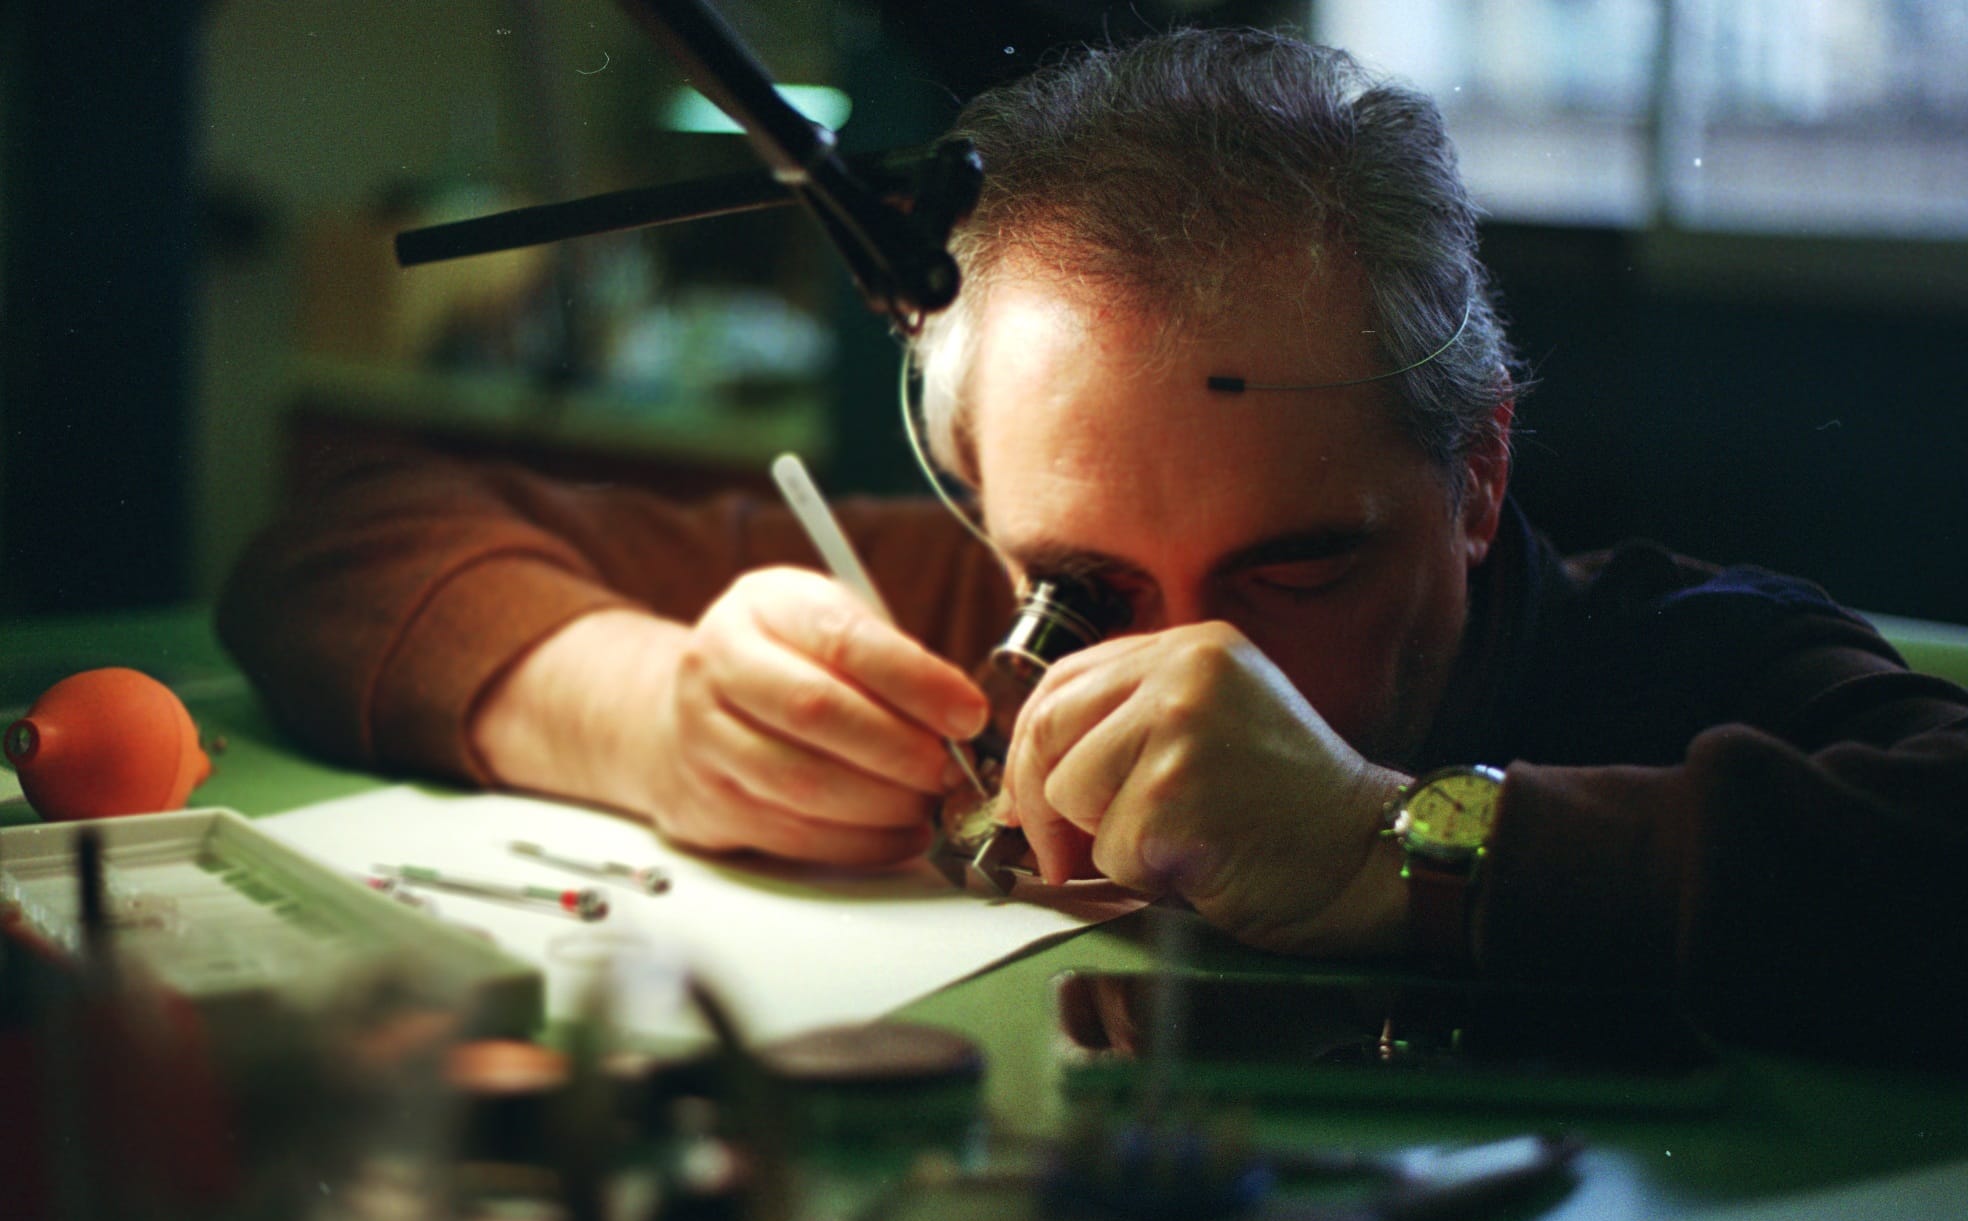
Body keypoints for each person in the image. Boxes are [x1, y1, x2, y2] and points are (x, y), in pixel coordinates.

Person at [220, 28, 1968, 1062]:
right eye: (1083, 594)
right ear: (978, 492)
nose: (1185, 673)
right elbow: (334, 550)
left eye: (1300, 567)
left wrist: (1397, 846)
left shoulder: (1674, 665)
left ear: (1477, 477)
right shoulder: (937, 612)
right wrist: (644, 711)